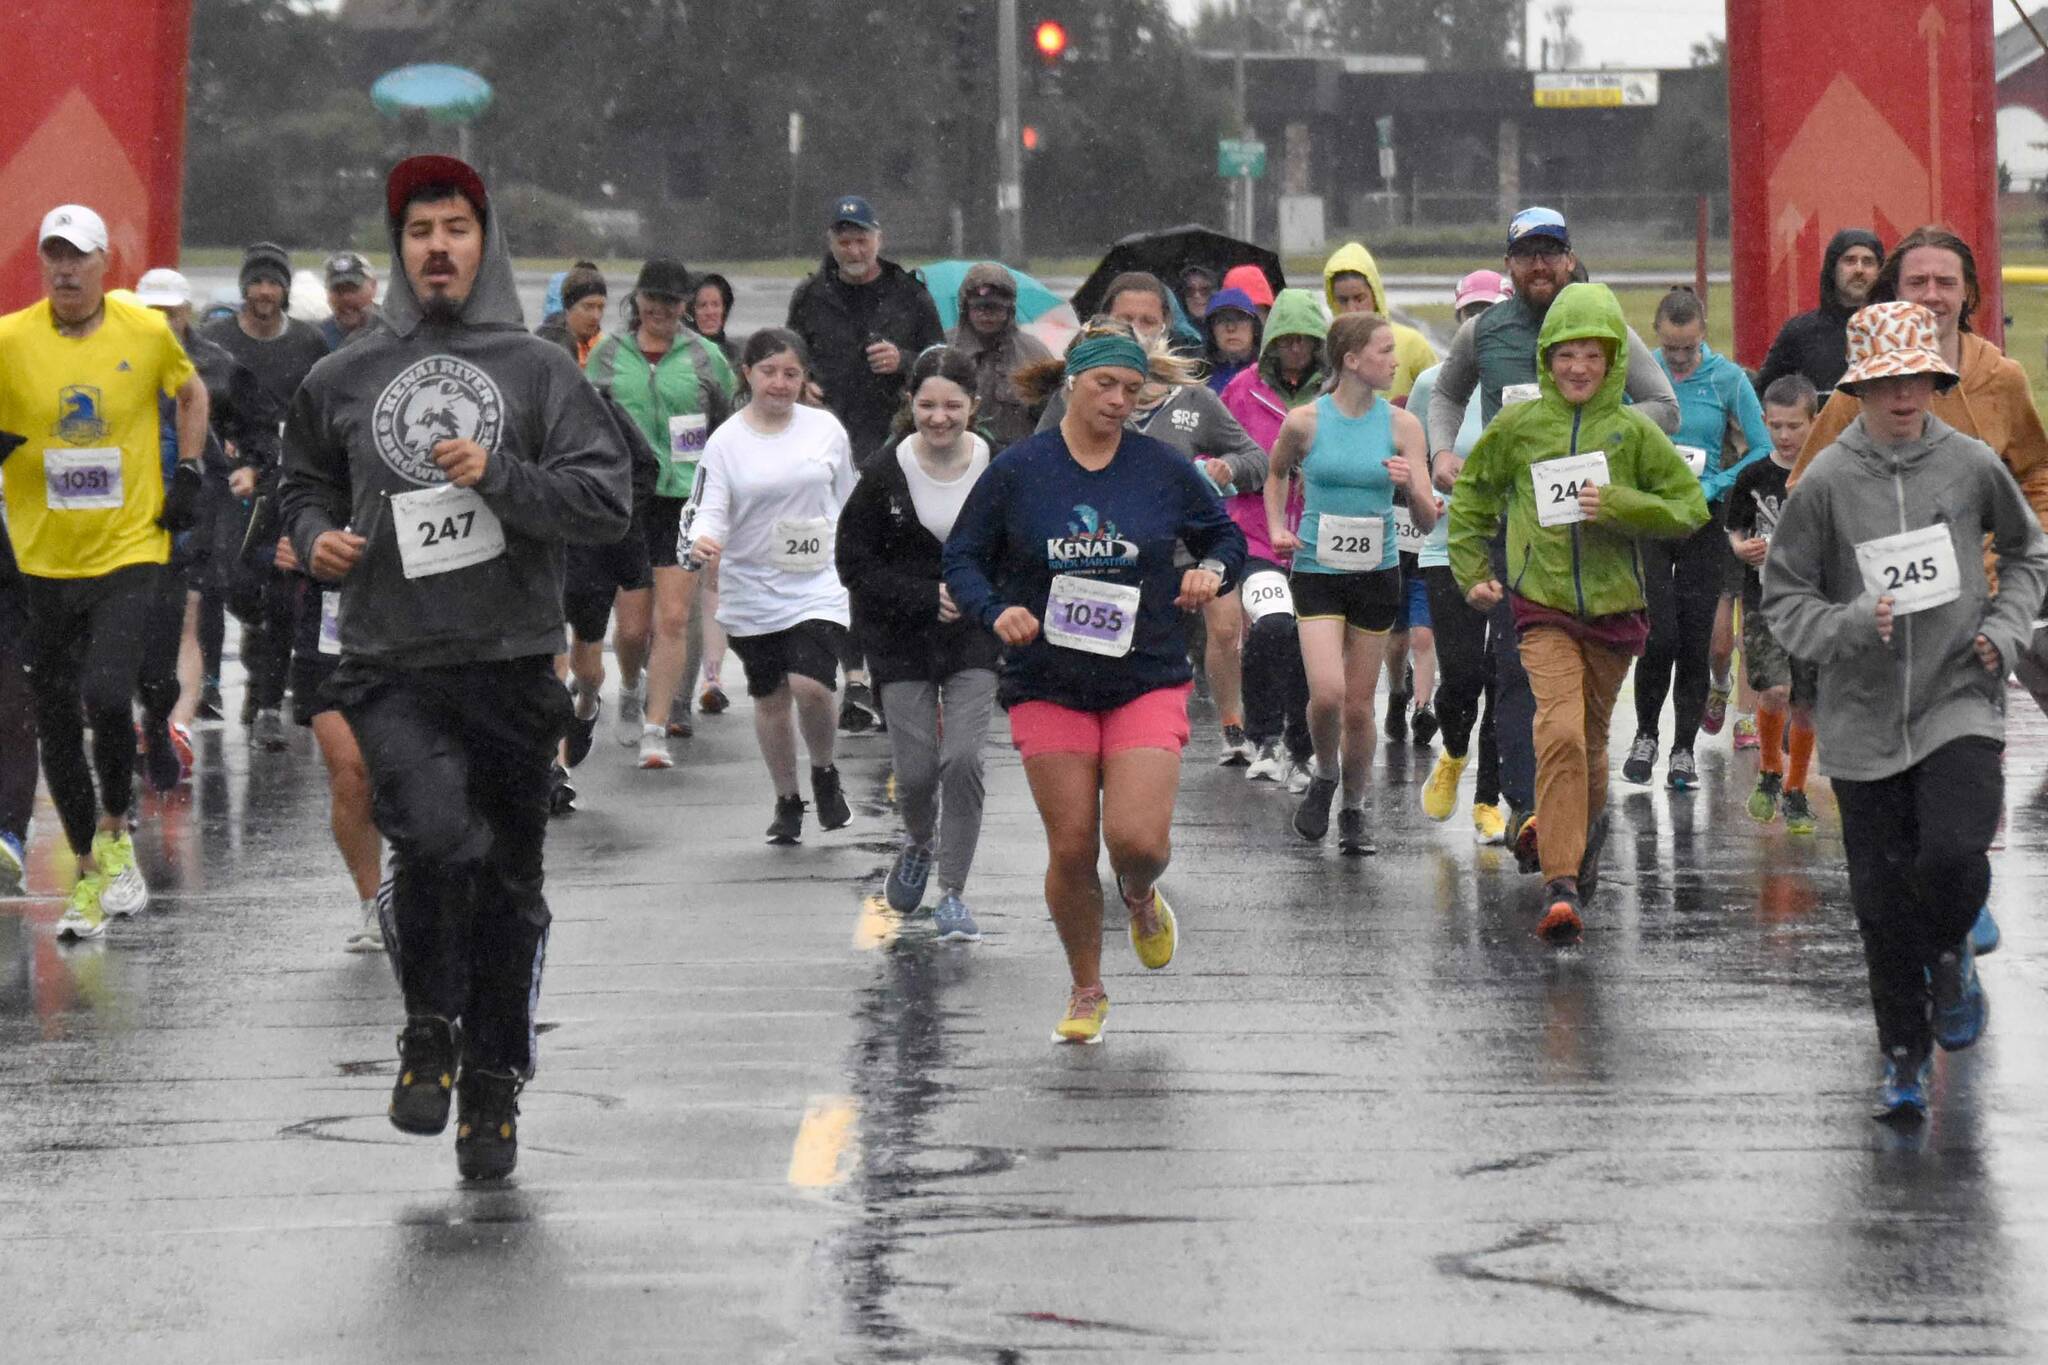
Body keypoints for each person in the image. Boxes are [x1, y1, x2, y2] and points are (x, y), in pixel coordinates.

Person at [281, 155, 632, 1180]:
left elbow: (604, 501)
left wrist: (504, 476)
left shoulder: (537, 369)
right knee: (437, 841)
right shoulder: (343, 371)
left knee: (512, 886)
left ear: (485, 246)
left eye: (456, 228)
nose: (437, 246)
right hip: (391, 662)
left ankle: (492, 1087)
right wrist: (314, 533)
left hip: (512, 662)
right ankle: (428, 1027)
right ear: (399, 250)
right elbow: (300, 480)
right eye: (420, 229)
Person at [1762, 300, 2048, 1121]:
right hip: (1860, 719)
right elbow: (1786, 597)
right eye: (1885, 382)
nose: (1902, 396)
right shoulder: (1824, 483)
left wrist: (2003, 626)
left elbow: (2028, 549)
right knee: (1881, 905)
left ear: (1934, 379)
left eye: (1916, 379)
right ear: (1858, 387)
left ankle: (1953, 948)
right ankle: (1903, 1060)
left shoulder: (1966, 463)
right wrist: (1850, 623)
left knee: (1956, 853)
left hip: (1960, 693)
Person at [943, 320, 1245, 1044]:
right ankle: (1086, 988)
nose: (1118, 401)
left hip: (1145, 671)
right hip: (1049, 678)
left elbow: (1223, 535)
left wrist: (1213, 572)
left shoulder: (1162, 468)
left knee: (1136, 839)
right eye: (1106, 385)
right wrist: (997, 609)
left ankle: (1139, 894)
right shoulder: (1020, 470)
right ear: (1072, 381)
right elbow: (963, 557)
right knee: (1073, 846)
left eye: (1133, 391)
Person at [1789, 226, 2048, 958]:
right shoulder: (1862, 388)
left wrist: (2012, 552)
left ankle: (1964, 898)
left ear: (1970, 294)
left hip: (1976, 614)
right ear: (1892, 294)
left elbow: (2036, 476)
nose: (1932, 295)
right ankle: (1935, 930)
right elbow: (1806, 491)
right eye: (1917, 282)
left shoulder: (2001, 379)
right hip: (1883, 623)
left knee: (1968, 756)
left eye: (1945, 282)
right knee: (1897, 789)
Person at [1449, 282, 1707, 942]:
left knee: (1590, 745)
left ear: (1615, 357)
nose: (1579, 368)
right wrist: (1472, 569)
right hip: (1542, 604)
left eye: (1594, 354)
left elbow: (1688, 507)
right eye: (1566, 354)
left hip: (1616, 612)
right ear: (1548, 357)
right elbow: (1473, 498)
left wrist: (1620, 504)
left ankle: (1579, 848)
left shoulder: (1632, 429)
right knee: (1559, 729)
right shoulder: (1517, 426)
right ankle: (1560, 884)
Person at [1428, 206, 1681, 871]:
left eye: (1551, 252)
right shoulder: (1483, 332)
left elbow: (1666, 406)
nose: (1539, 265)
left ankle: (1578, 816)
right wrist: (1440, 451)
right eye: (1526, 254)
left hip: (1598, 524)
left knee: (1589, 721)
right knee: (1514, 668)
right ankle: (1529, 806)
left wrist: (1592, 429)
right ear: (1508, 265)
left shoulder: (1608, 327)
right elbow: (1446, 395)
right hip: (1521, 521)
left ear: (1570, 259)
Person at [0, 204, 208, 938]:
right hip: (43, 558)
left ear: (102, 265)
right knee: (56, 717)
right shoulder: (10, 339)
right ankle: (90, 869)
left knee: (105, 691)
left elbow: (191, 392)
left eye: (78, 256)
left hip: (128, 549)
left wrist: (189, 468)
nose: (65, 269)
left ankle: (118, 826)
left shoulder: (144, 331)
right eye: (53, 255)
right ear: (42, 265)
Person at [1035, 273, 1268, 764]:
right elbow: (1038, 465)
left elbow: (1256, 458)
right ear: (1104, 322)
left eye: (1149, 319)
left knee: (1226, 629)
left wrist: (1228, 470)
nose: (1138, 328)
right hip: (1109, 554)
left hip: (1190, 550)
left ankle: (1232, 724)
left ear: (1167, 325)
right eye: (1127, 319)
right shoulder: (1073, 394)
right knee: (1118, 656)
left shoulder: (1192, 396)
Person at [836, 347, 1001, 941]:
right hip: (899, 638)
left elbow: (1017, 549)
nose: (939, 418)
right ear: (910, 404)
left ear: (973, 406)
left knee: (962, 759)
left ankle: (953, 893)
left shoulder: (996, 466)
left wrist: (982, 597)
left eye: (952, 405)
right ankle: (918, 843)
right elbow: (852, 562)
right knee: (915, 771)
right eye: (927, 405)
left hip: (973, 638)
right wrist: (923, 594)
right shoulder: (884, 472)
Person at [1265, 312, 1438, 853]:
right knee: (1327, 694)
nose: (1394, 360)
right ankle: (1324, 771)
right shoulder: (1305, 422)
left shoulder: (1403, 425)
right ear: (1351, 360)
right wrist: (1276, 527)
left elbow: (1430, 518)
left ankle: (1355, 808)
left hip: (1377, 573)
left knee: (1359, 708)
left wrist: (1410, 489)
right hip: (1318, 571)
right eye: (1384, 351)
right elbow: (1276, 474)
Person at [685, 328, 857, 843]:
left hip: (816, 581)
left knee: (811, 684)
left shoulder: (825, 430)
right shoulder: (726, 441)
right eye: (769, 372)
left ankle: (824, 770)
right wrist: (703, 540)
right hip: (751, 584)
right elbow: (708, 506)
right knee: (770, 696)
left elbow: (850, 499)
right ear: (747, 374)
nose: (780, 383)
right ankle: (787, 799)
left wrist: (861, 556)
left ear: (804, 379)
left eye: (791, 374)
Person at [787, 197, 944, 733]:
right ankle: (852, 673)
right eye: (844, 240)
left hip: (892, 440)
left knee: (891, 557)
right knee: (842, 559)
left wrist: (903, 361)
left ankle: (892, 669)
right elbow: (791, 355)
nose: (853, 250)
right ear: (831, 241)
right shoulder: (811, 295)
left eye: (862, 239)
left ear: (879, 239)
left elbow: (937, 361)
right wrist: (801, 382)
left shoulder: (909, 293)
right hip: (827, 440)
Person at [586, 258, 738, 767]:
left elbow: (729, 425)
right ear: (638, 300)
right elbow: (585, 421)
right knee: (631, 630)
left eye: (672, 302)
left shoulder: (706, 357)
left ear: (685, 307)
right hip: (627, 499)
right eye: (652, 299)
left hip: (682, 501)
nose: (660, 309)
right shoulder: (609, 356)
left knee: (672, 618)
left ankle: (655, 730)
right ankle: (631, 684)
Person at [1621, 287, 1771, 791]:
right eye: (1671, 348)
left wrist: (1719, 482)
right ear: (1658, 337)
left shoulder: (1727, 378)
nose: (1680, 358)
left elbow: (1762, 447)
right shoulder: (1641, 375)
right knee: (1657, 634)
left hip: (1704, 518)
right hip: (1654, 517)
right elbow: (1615, 431)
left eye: (1688, 348)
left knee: (1693, 638)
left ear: (1703, 334)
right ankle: (1645, 734)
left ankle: (1683, 749)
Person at [202, 240, 331, 749]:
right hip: (234, 478)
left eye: (274, 283)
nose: (264, 292)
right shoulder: (217, 341)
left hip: (291, 478)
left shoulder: (307, 342)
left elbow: (323, 405)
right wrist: (226, 451)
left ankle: (269, 701)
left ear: (285, 289)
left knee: (283, 586)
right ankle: (255, 640)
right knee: (232, 580)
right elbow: (199, 406)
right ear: (243, 288)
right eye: (256, 282)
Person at [1414, 269, 1513, 843]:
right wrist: (1428, 489)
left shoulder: (1525, 382)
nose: (1477, 325)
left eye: (1488, 314)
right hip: (1444, 546)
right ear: (1458, 321)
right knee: (1463, 676)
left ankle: (1487, 800)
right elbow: (1421, 456)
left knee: (1504, 674)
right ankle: (1453, 749)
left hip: (1508, 545)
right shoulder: (1434, 383)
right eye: (1468, 314)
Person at [1220, 288, 1328, 790]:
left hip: (1318, 542)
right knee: (1272, 629)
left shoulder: (1334, 394)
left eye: (1307, 341)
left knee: (1308, 641)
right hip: (1256, 538)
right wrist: (1227, 472)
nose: (1297, 350)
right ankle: (1263, 736)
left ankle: (1300, 750)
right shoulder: (1240, 392)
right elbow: (1211, 452)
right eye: (1287, 341)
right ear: (1272, 343)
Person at [1726, 375, 1821, 834]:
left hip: (1814, 605)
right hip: (1764, 601)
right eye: (1777, 426)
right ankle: (1768, 770)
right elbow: (1734, 528)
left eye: (1795, 426)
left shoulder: (1824, 473)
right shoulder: (1753, 475)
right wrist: (1741, 548)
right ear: (1765, 423)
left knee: (1806, 701)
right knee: (1775, 690)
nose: (1785, 436)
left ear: (1814, 422)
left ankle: (1796, 790)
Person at [1755, 228, 1882, 398]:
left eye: (1868, 262)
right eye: (1850, 261)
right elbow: (1763, 396)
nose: (1859, 270)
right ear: (1833, 269)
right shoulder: (1800, 332)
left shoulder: (1893, 328)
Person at [947, 262, 1051, 453]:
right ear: (965, 309)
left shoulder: (1034, 354)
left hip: (1018, 458)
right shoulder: (943, 351)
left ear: (1009, 311)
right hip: (956, 457)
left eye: (994, 309)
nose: (986, 316)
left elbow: (1053, 418)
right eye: (978, 308)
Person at [1322, 240, 1439, 402]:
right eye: (1343, 300)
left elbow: (1440, 400)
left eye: (1359, 298)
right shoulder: (1327, 349)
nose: (1352, 309)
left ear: (1375, 295)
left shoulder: (1412, 344)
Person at [536, 261, 608, 369]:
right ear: (568, 307)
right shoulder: (547, 348)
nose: (596, 316)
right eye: (588, 307)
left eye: (601, 307)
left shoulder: (607, 349)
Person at [1201, 286, 1261, 395]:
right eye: (1221, 320)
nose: (1231, 328)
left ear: (1254, 327)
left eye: (1240, 319)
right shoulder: (1197, 377)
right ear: (1211, 330)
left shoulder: (1269, 375)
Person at [320, 251, 381, 350]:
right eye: (338, 290)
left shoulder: (397, 331)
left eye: (353, 289)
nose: (346, 298)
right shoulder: (317, 339)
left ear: (373, 286)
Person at [687, 272, 739, 367]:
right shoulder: (677, 357)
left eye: (716, 305)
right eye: (702, 305)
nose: (710, 312)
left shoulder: (735, 356)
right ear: (689, 311)